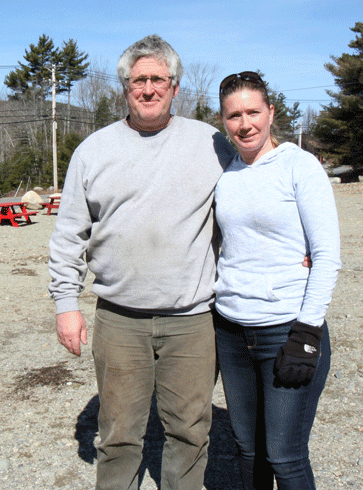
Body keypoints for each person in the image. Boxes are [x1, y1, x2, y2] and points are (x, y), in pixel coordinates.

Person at [48, 35, 236, 490]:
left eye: (158, 79)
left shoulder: (212, 144)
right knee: (118, 436)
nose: (148, 89)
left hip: (192, 319)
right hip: (119, 319)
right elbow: (69, 232)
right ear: (124, 88)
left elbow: (250, 207)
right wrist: (65, 304)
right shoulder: (94, 150)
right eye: (138, 80)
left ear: (175, 87)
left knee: (190, 432)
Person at [212, 71, 341, 490]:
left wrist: (307, 330)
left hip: (285, 329)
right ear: (223, 120)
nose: (244, 123)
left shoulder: (298, 166)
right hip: (231, 331)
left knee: (285, 456)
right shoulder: (225, 175)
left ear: (270, 112)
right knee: (248, 449)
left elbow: (326, 255)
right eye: (234, 115)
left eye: (253, 111)